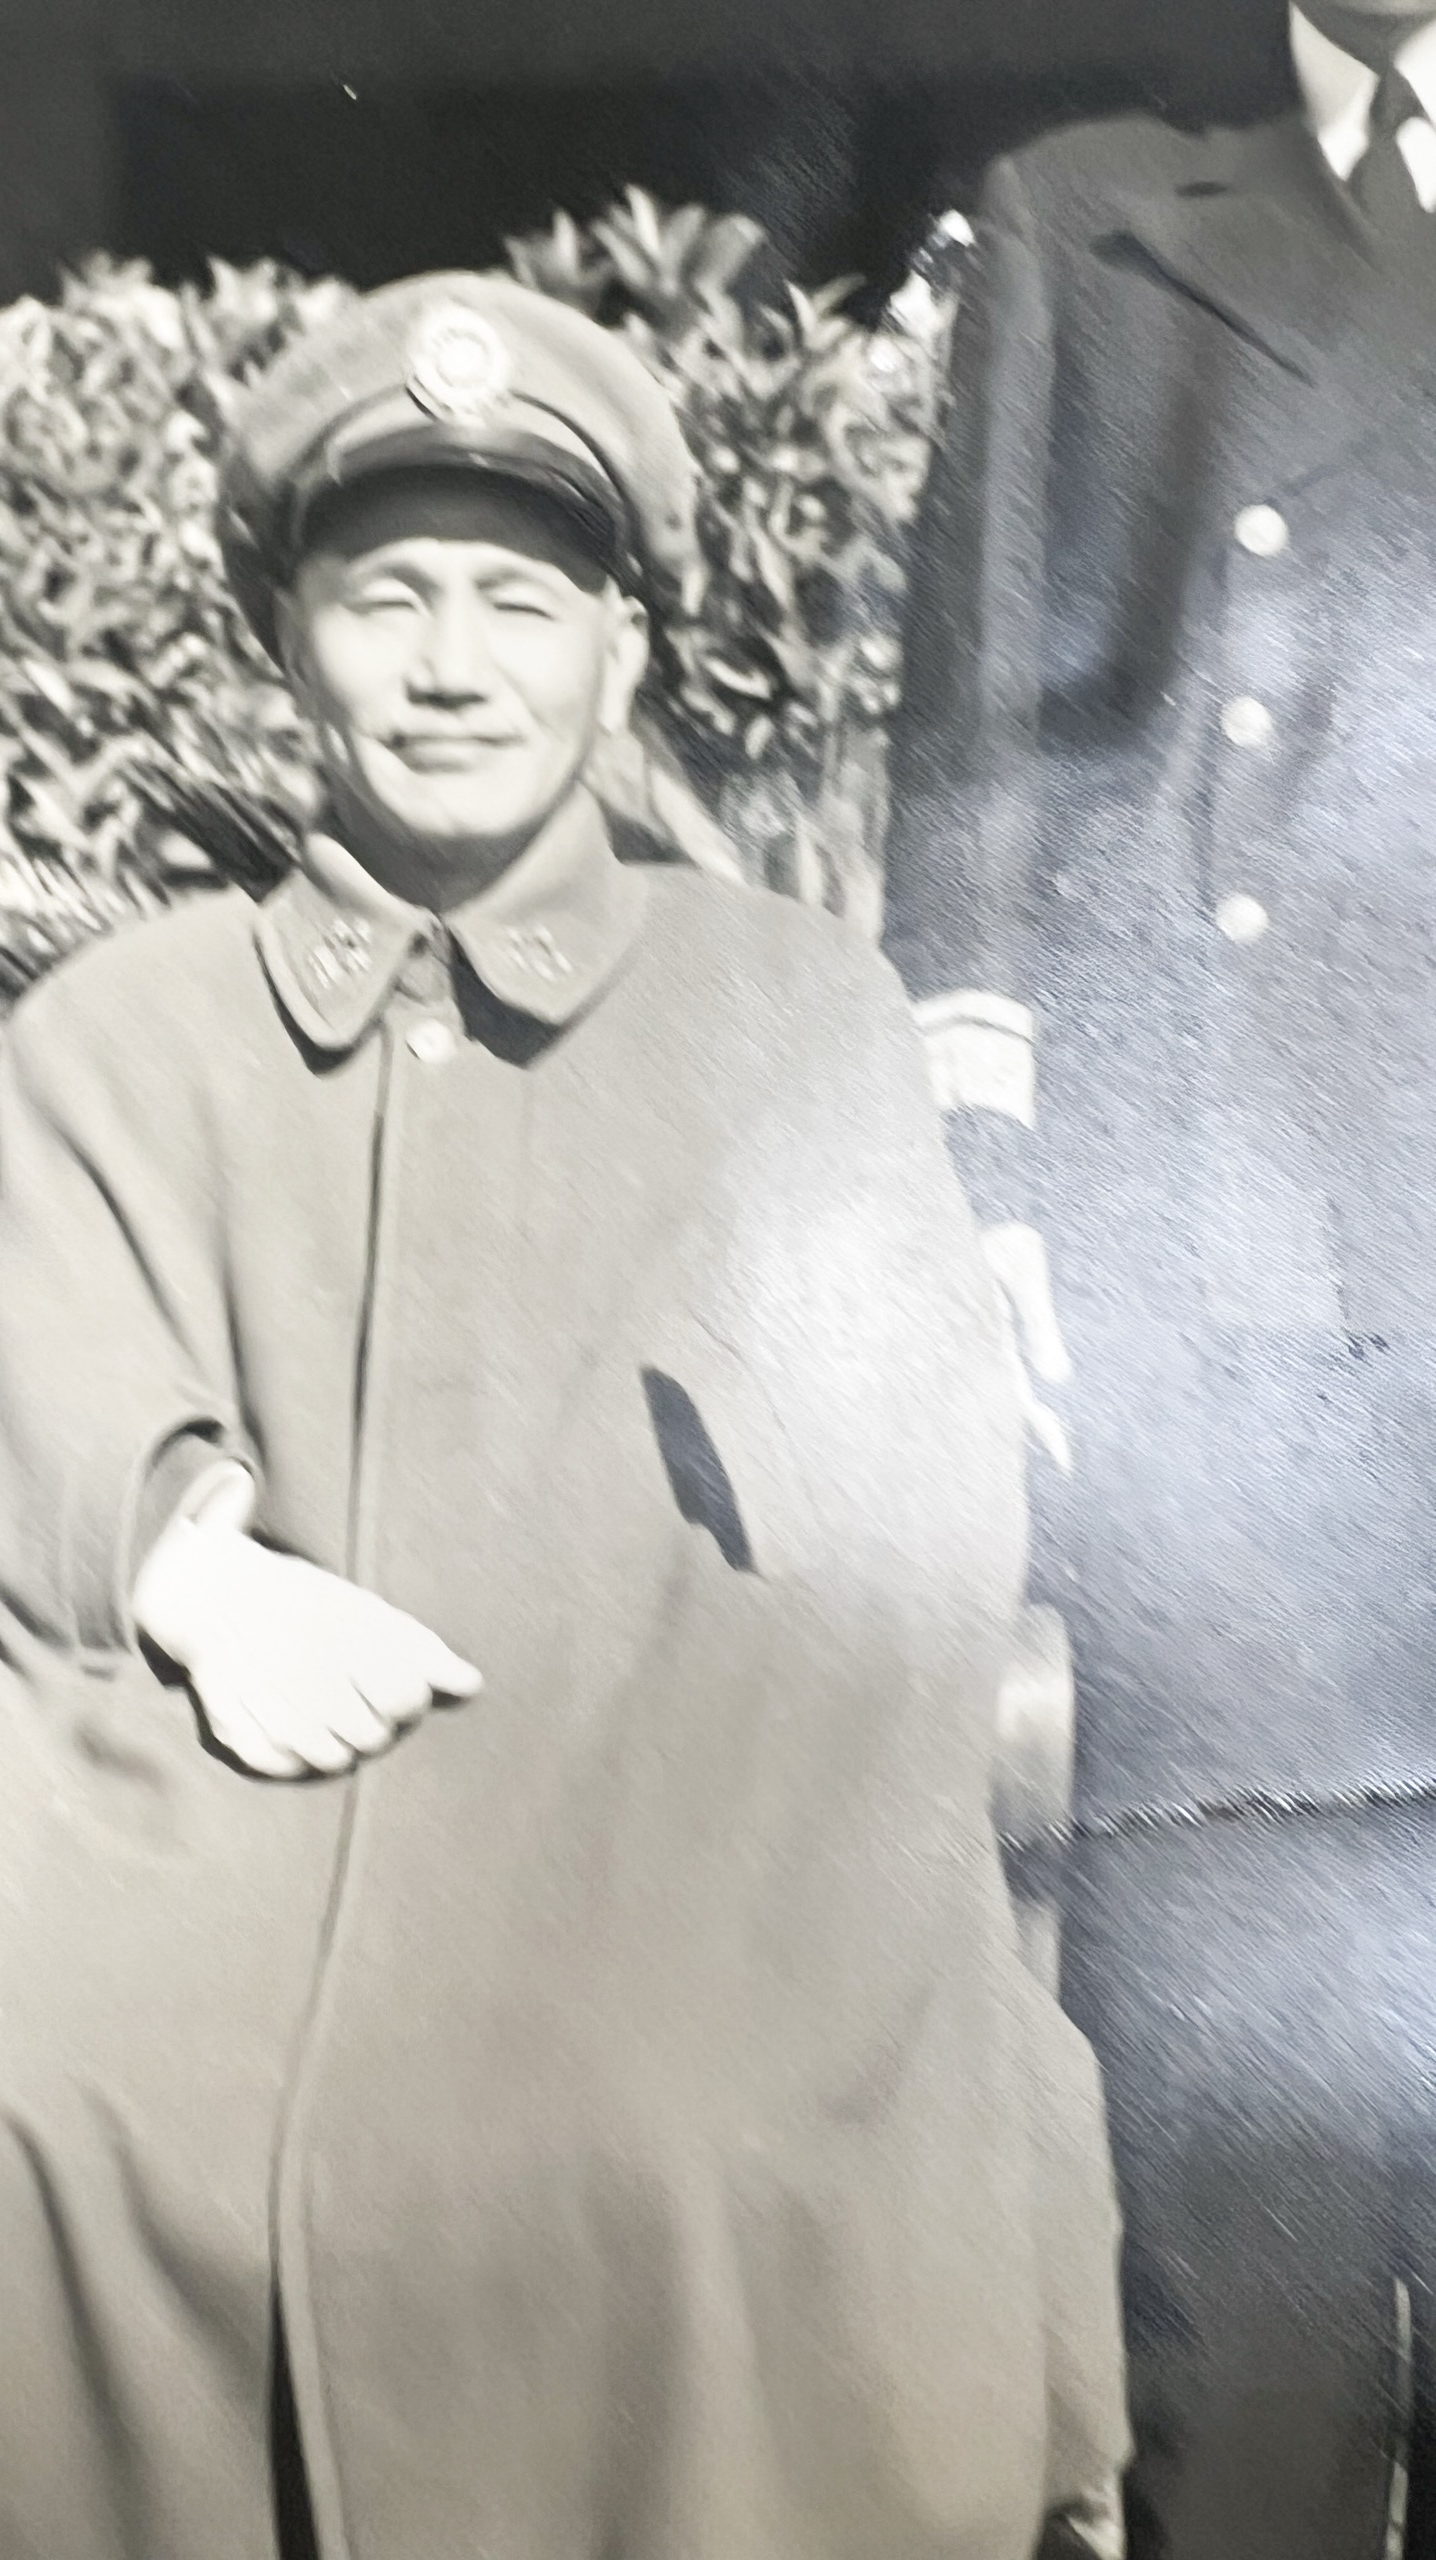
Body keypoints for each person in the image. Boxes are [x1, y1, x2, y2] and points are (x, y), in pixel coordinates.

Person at [0, 270, 1126, 2560]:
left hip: (680, 1827)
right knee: (14, 2118)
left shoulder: (791, 1011)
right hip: (207, 1819)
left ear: (624, 649)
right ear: (288, 641)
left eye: (521, 600)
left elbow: (906, 1478)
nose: (454, 663)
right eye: (385, 598)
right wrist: (198, 1575)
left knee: (694, 2138)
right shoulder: (126, 1029)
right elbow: (38, 1371)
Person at [885, 8, 1436, 2555]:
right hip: (1224, 1315)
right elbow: (979, 745)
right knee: (1249, 2197)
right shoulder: (1094, 216)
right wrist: (992, 1194)